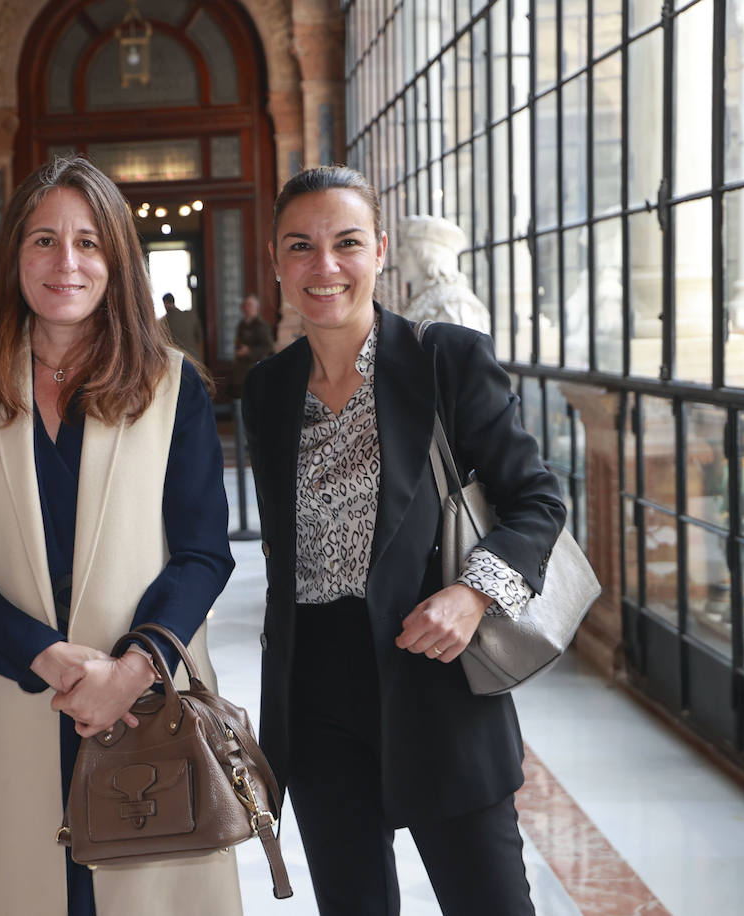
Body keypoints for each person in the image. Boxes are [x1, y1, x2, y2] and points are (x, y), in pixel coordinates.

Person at [0, 157, 243, 915]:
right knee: (30, 887)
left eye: (89, 243)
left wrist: (133, 668)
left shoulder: (172, 386)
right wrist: (47, 654)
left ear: (116, 260)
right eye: (44, 241)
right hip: (23, 692)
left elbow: (202, 552)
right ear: (15, 257)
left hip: (147, 697)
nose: (67, 262)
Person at [241, 165, 564, 915]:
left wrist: (474, 591)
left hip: (438, 676)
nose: (325, 266)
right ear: (277, 260)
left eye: (346, 242)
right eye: (302, 246)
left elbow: (537, 499)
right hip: (315, 694)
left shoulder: (444, 358)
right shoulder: (268, 390)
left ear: (380, 250)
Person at [231, 292, 273, 395]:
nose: (246, 308)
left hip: (255, 371)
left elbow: (268, 347)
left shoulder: (261, 326)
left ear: (256, 308)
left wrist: (249, 351)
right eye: (245, 305)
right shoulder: (241, 325)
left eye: (249, 305)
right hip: (240, 372)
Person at [159, 291, 204, 363]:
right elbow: (200, 339)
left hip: (178, 363)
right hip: (195, 360)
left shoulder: (163, 322)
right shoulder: (191, 316)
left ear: (165, 303)